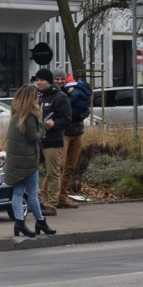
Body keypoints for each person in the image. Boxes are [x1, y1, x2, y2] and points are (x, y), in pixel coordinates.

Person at [5, 85, 56, 237]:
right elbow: (33, 137)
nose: (39, 98)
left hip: (15, 160)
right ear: (32, 99)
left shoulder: (17, 114)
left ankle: (19, 223)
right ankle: (40, 221)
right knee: (33, 193)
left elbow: (29, 133)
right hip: (27, 160)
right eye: (37, 96)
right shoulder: (30, 115)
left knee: (18, 193)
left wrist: (41, 126)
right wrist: (46, 126)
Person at [32, 68, 71, 216]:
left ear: (49, 81)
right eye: (37, 80)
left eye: (42, 80)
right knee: (33, 172)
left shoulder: (60, 97)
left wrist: (54, 124)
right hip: (36, 140)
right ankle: (36, 201)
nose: (39, 82)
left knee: (53, 172)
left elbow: (67, 118)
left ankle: (52, 204)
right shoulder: (37, 96)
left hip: (52, 141)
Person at [59, 73, 91, 208]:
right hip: (64, 134)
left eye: (62, 79)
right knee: (58, 166)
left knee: (70, 168)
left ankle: (62, 197)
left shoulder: (75, 91)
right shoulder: (56, 94)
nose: (59, 81)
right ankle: (46, 197)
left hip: (77, 132)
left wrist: (74, 116)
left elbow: (86, 110)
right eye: (57, 79)